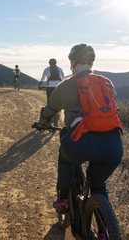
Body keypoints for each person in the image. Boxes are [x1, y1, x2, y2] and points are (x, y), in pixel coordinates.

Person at [36, 44, 123, 214]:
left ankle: (63, 200)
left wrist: (41, 124)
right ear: (91, 62)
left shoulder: (68, 84)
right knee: (98, 185)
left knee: (65, 151)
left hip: (81, 143)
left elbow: (48, 111)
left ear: (73, 62)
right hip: (114, 145)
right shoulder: (106, 82)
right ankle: (104, 229)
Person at [38, 58, 65, 126]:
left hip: (50, 87)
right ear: (56, 63)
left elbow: (42, 79)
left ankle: (48, 119)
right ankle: (58, 114)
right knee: (59, 102)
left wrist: (40, 85)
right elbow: (63, 79)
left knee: (49, 103)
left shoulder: (46, 69)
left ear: (49, 63)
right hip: (58, 87)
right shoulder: (60, 69)